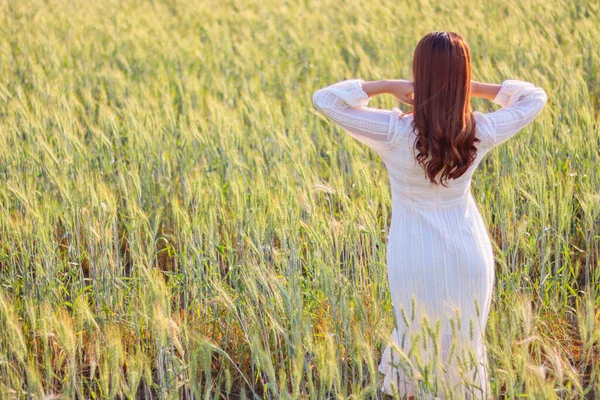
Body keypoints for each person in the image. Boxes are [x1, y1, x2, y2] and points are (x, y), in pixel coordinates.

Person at [311, 31, 547, 399]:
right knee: (465, 351)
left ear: (418, 73)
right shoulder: (480, 131)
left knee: (417, 347)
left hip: (414, 255)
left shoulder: (394, 131)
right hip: (470, 254)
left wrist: (390, 85)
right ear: (464, 77)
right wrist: (469, 87)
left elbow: (324, 99)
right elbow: (535, 97)